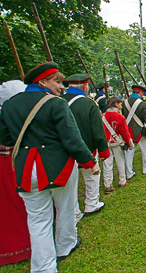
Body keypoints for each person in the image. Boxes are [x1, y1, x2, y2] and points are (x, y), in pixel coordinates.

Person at [0, 62, 99, 272]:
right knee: (64, 209)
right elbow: (72, 139)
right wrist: (89, 162)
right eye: (57, 81)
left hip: (26, 169)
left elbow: (6, 138)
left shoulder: (10, 105)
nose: (60, 87)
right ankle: (64, 246)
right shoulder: (56, 104)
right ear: (42, 81)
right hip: (58, 166)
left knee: (37, 219)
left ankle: (44, 267)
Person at [62, 74, 110, 223]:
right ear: (84, 86)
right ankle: (92, 203)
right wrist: (103, 150)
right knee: (91, 176)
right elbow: (97, 130)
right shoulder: (89, 104)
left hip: (64, 149)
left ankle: (75, 211)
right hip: (87, 147)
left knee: (71, 182)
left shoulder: (57, 101)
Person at [0, 80, 31, 266]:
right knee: (16, 206)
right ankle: (19, 247)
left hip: (10, 162)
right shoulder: (12, 116)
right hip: (11, 164)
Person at [122, 84, 146, 177]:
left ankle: (129, 173)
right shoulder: (142, 103)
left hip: (128, 130)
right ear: (141, 92)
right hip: (140, 131)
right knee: (145, 150)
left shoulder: (124, 102)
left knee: (129, 152)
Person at [101, 97, 134, 193]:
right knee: (120, 162)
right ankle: (122, 181)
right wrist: (129, 143)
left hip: (106, 143)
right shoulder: (120, 117)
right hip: (117, 143)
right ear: (116, 104)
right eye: (120, 104)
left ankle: (108, 185)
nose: (121, 106)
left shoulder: (102, 116)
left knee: (107, 165)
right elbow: (125, 133)